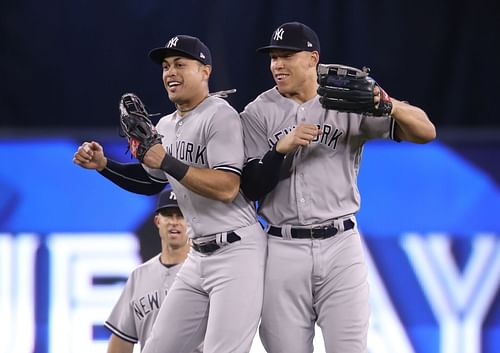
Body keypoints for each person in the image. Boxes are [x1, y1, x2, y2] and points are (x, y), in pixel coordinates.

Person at [240, 22, 436, 353]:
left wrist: (388, 103)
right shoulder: (258, 112)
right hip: (281, 247)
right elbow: (251, 187)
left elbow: (425, 132)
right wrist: (279, 151)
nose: (277, 65)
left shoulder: (346, 100)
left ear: (312, 59)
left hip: (340, 245)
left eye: (287, 56)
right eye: (273, 57)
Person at [73, 35, 267, 353]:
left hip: (237, 251)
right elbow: (151, 181)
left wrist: (167, 160)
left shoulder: (220, 115)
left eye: (180, 64)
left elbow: (228, 187)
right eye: (166, 66)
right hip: (199, 256)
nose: (170, 72)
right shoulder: (165, 124)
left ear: (205, 71)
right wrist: (104, 165)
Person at [105, 187, 202, 353]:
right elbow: (121, 340)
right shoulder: (139, 276)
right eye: (168, 215)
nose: (174, 222)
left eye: (180, 215)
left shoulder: (209, 273)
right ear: (158, 221)